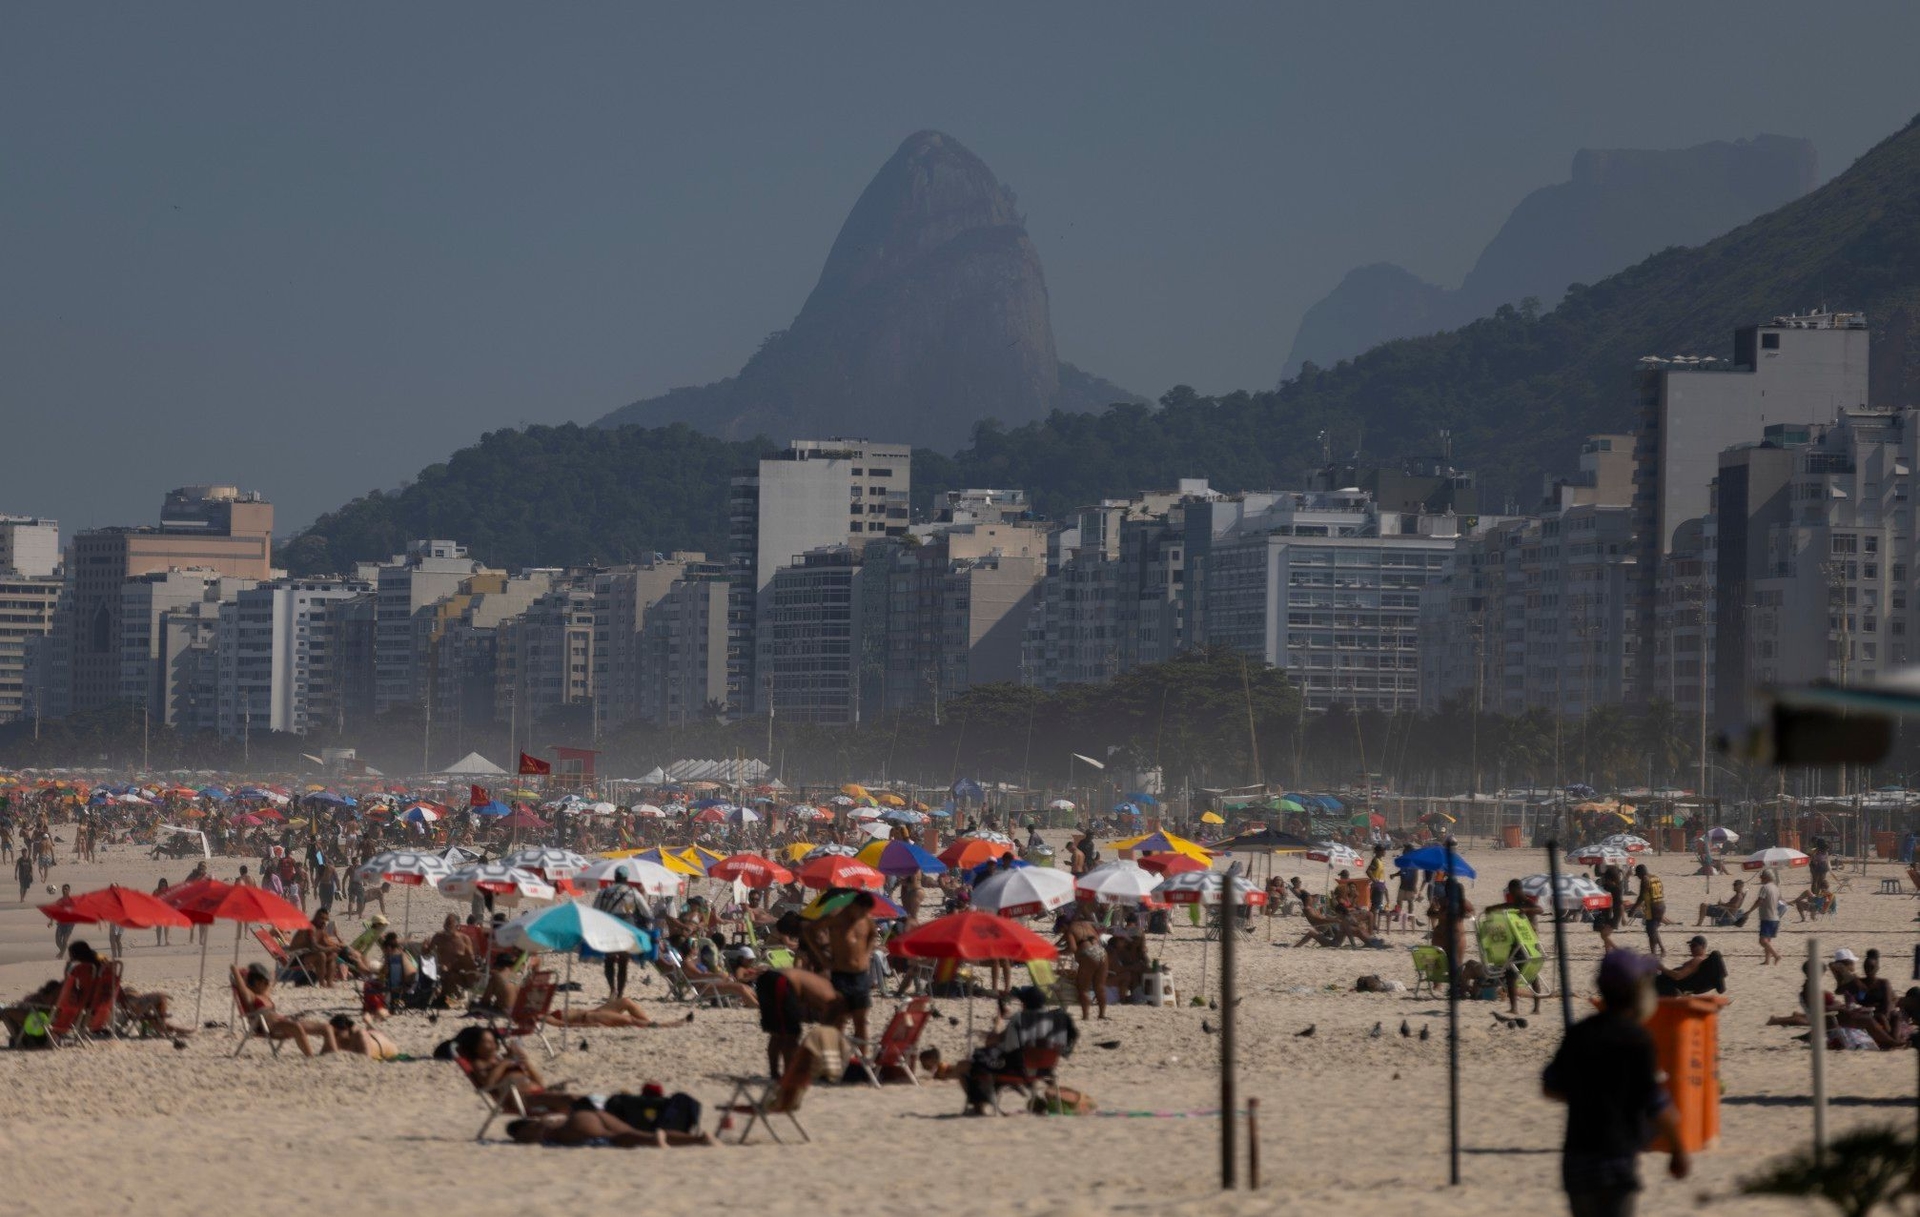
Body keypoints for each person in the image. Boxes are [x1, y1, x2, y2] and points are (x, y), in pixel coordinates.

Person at [1542, 951, 1690, 1217]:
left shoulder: (1580, 1032)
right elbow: (1657, 1105)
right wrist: (1678, 1151)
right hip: (1616, 1158)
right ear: (1638, 993)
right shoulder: (1638, 1040)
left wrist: (1585, 1093)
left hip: (1577, 1161)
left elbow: (1550, 1086)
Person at [959, 986, 1078, 1116]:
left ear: (1024, 1004)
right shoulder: (1060, 1020)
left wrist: (997, 1024)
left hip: (1018, 1070)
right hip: (1046, 1069)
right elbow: (1065, 1047)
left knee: (973, 1064)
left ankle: (979, 1106)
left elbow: (1007, 1047)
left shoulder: (1019, 1018)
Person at [231, 963, 335, 1057]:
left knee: (326, 1028)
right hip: (271, 1027)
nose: (268, 985)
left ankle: (329, 1056)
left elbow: (272, 975)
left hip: (284, 1022)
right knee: (296, 1027)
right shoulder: (251, 997)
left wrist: (252, 970)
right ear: (257, 983)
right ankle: (311, 1057)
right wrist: (236, 969)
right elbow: (240, 984)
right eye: (265, 983)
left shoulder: (265, 994)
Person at [505, 1104, 714, 1147]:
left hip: (574, 1126)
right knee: (633, 1131)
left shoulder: (528, 1130)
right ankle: (698, 1139)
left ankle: (653, 1140)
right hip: (588, 1114)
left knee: (614, 1138)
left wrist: (518, 1138)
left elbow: (533, 1136)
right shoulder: (545, 1117)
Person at [825, 891, 877, 1042]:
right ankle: (835, 1053)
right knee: (839, 1020)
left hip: (860, 975)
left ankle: (863, 1055)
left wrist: (866, 954)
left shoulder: (865, 919)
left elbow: (873, 934)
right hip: (840, 974)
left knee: (861, 1023)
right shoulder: (837, 916)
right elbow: (811, 930)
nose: (864, 914)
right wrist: (823, 955)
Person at [592, 868, 644, 998]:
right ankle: (620, 994)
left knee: (609, 960)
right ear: (627, 879)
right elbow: (646, 912)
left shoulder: (604, 892)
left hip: (609, 929)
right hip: (626, 929)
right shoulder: (633, 893)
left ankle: (612, 989)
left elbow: (595, 910)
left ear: (615, 877)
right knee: (623, 962)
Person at [1061, 903, 1108, 1020]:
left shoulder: (1070, 929)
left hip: (1088, 954)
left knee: (1083, 988)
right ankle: (1102, 1015)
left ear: (1064, 926)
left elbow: (1072, 948)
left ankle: (1086, 1016)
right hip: (1102, 952)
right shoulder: (1088, 925)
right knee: (1100, 987)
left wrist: (1058, 953)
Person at [1654, 936, 1726, 997]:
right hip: (1674, 985)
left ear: (1703, 946)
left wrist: (1661, 967)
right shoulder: (1702, 961)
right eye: (1690, 946)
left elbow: (1678, 976)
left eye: (1694, 946)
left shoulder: (1697, 960)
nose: (1691, 948)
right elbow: (1691, 981)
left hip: (1666, 984)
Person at [1630, 865, 1667, 958]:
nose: (1638, 877)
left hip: (1653, 908)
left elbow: (1641, 896)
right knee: (1653, 930)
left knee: (1651, 932)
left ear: (1641, 873)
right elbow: (1660, 891)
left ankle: (1654, 953)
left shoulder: (1645, 879)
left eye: (1638, 875)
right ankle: (1661, 950)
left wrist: (1633, 909)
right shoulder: (1655, 877)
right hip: (1661, 906)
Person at [326, 1013, 400, 1059]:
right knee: (371, 1032)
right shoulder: (341, 1039)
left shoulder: (360, 1034)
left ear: (345, 1028)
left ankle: (368, 1023)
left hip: (389, 1050)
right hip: (374, 1036)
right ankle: (368, 1023)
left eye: (336, 1033)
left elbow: (366, 1059)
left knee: (366, 1033)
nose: (334, 1036)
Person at [1755, 869, 1783, 966]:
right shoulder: (1776, 888)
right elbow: (1781, 901)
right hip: (1775, 918)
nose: (1760, 878)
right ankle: (1767, 960)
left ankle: (1776, 956)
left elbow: (1759, 901)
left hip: (1767, 917)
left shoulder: (1764, 887)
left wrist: (1749, 911)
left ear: (1766, 877)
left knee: (1762, 941)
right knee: (1768, 940)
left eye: (1762, 876)